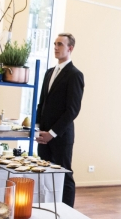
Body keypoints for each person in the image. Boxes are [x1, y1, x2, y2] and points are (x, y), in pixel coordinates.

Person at [35, 33, 84, 207]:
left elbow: (72, 110)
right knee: (43, 173)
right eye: (55, 44)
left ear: (70, 49)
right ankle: (46, 207)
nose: (55, 47)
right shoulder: (49, 73)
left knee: (64, 176)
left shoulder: (75, 75)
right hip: (43, 135)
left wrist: (52, 133)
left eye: (60, 44)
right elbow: (42, 103)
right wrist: (38, 128)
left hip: (61, 136)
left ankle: (68, 212)